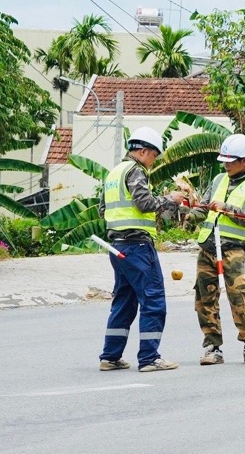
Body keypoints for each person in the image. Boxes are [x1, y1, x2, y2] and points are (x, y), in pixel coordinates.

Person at [99, 127, 184, 372]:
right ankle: (149, 358)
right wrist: (170, 200)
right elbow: (145, 203)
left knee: (124, 302)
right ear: (144, 150)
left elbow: (102, 209)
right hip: (137, 245)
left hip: (117, 246)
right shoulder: (136, 170)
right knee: (153, 299)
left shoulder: (114, 172)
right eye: (154, 156)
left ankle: (110, 356)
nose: (153, 161)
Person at [189, 133, 245, 366]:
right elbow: (205, 207)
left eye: (230, 161)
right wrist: (189, 214)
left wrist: (228, 208)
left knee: (239, 295)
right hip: (207, 247)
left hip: (233, 249)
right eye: (223, 160)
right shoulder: (218, 180)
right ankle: (212, 347)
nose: (225, 165)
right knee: (205, 298)